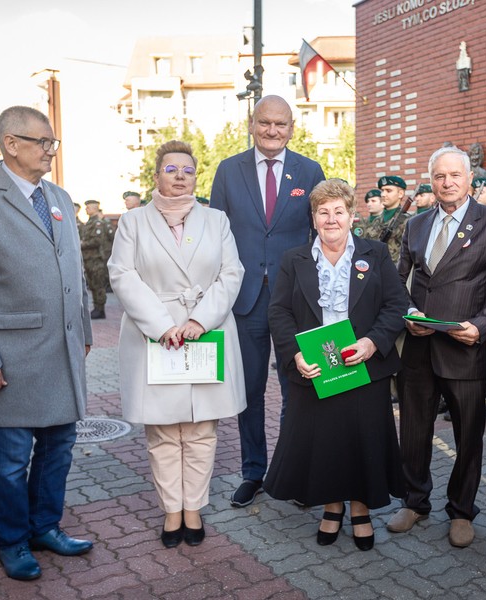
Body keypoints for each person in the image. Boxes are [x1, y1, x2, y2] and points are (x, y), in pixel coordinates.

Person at [0, 105, 93, 581]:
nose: (50, 150)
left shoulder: (59, 197)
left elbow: (75, 270)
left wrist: (85, 332)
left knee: (58, 451)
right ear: (11, 143)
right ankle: (13, 543)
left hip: (61, 354)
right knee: (9, 463)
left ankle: (45, 527)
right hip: (8, 361)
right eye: (42, 142)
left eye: (53, 143)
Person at [108, 140, 246, 549]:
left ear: (195, 175)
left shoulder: (217, 220)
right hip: (155, 335)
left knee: (203, 428)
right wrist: (162, 324)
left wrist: (200, 319)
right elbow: (122, 275)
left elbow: (231, 273)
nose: (180, 176)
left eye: (187, 169)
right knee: (164, 431)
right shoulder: (133, 222)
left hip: (207, 330)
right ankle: (172, 509)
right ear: (156, 176)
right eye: (171, 169)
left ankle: (194, 508)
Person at [264, 179, 407, 550]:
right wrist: (294, 353)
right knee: (326, 442)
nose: (331, 219)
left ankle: (360, 508)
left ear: (351, 215)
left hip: (363, 364)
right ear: (313, 219)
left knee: (362, 439)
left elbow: (396, 305)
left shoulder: (374, 253)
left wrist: (372, 342)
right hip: (315, 366)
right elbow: (278, 311)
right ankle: (332, 507)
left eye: (338, 211)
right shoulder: (293, 260)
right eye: (322, 212)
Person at [387, 144, 486, 548]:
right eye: (439, 176)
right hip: (419, 348)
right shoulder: (416, 224)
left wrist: (481, 328)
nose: (447, 183)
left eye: (454, 175)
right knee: (413, 431)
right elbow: (399, 280)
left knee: (468, 436)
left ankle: (461, 510)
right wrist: (408, 313)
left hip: (465, 348)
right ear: (432, 180)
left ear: (469, 180)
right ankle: (414, 501)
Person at [210, 94, 325, 508]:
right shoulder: (227, 171)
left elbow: (320, 235)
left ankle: (294, 472)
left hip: (296, 301)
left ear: (292, 128)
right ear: (253, 124)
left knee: (299, 387)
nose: (273, 131)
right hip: (245, 301)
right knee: (249, 390)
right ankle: (253, 471)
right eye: (265, 123)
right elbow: (216, 235)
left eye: (281, 124)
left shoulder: (309, 171)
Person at [363, 175, 412, 261]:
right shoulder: (375, 222)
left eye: (388, 191)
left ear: (400, 194)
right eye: (382, 191)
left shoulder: (409, 222)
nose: (383, 194)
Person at [80, 199, 112, 319]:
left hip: (96, 259)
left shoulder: (98, 223)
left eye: (88, 207)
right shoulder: (89, 222)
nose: (86, 209)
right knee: (92, 284)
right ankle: (96, 307)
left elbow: (97, 241)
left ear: (94, 208)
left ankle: (100, 309)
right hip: (89, 258)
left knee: (98, 285)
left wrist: (81, 244)